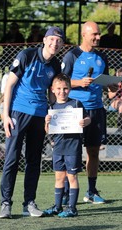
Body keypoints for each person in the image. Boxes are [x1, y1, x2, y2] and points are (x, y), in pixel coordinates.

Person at [0, 26, 64, 219]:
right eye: (52, 39)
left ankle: (29, 203)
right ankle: (5, 203)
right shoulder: (26, 55)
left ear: (61, 45)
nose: (55, 43)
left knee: (34, 162)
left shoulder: (56, 65)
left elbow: (52, 94)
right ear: (44, 40)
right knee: (12, 159)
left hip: (40, 116)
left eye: (59, 41)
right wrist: (5, 115)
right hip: (18, 113)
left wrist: (58, 114)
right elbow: (9, 85)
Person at [61, 21, 117, 204]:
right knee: (73, 153)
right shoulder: (72, 56)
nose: (98, 37)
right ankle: (67, 193)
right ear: (84, 34)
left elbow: (108, 88)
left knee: (93, 152)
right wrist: (78, 83)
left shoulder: (102, 57)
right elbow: (59, 81)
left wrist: (112, 86)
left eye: (99, 34)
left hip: (96, 110)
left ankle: (91, 192)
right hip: (75, 110)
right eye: (94, 34)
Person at [43, 73, 91, 218]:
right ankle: (57, 207)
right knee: (59, 178)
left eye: (65, 88)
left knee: (72, 177)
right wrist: (46, 122)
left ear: (69, 89)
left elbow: (88, 117)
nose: (62, 92)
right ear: (52, 89)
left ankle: (72, 208)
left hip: (73, 147)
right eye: (59, 88)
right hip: (58, 148)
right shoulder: (52, 107)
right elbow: (48, 131)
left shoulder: (76, 104)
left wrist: (85, 122)